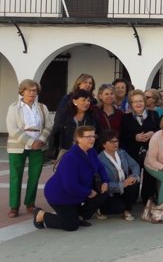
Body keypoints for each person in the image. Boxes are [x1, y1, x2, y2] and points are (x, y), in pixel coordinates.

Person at [33, 126, 108, 231]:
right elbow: (69, 185)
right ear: (78, 139)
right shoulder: (71, 157)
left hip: (79, 192)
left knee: (103, 193)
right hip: (61, 195)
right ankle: (41, 215)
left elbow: (100, 168)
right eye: (88, 136)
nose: (92, 139)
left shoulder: (91, 152)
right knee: (71, 226)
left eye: (93, 136)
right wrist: (88, 192)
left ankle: (79, 216)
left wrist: (105, 181)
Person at [6, 79, 53, 218]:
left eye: (34, 90)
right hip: (18, 146)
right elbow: (12, 129)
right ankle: (14, 206)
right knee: (16, 176)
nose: (32, 93)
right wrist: (30, 141)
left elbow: (48, 125)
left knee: (34, 175)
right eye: (29, 90)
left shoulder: (42, 107)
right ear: (22, 91)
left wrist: (41, 140)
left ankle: (30, 203)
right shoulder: (13, 107)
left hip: (38, 145)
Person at [120, 89, 160, 203]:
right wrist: (134, 137)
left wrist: (153, 133)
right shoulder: (126, 118)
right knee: (134, 175)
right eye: (135, 101)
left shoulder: (154, 114)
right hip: (132, 152)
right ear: (131, 104)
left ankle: (147, 200)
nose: (138, 104)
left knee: (149, 177)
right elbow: (122, 136)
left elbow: (160, 131)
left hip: (150, 152)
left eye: (141, 101)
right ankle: (131, 201)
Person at [96, 130, 140, 221]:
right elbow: (102, 183)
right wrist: (122, 184)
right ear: (104, 145)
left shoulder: (122, 153)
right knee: (118, 207)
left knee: (134, 183)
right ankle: (101, 209)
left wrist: (133, 176)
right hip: (110, 192)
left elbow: (135, 165)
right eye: (111, 142)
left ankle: (127, 210)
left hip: (124, 186)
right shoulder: (99, 159)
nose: (115, 144)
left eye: (116, 141)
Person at [51, 89, 101, 158]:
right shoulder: (64, 115)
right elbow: (55, 134)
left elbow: (99, 133)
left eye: (88, 100)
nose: (87, 103)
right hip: (67, 153)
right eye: (83, 100)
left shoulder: (93, 116)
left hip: (87, 153)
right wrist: (53, 153)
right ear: (75, 101)